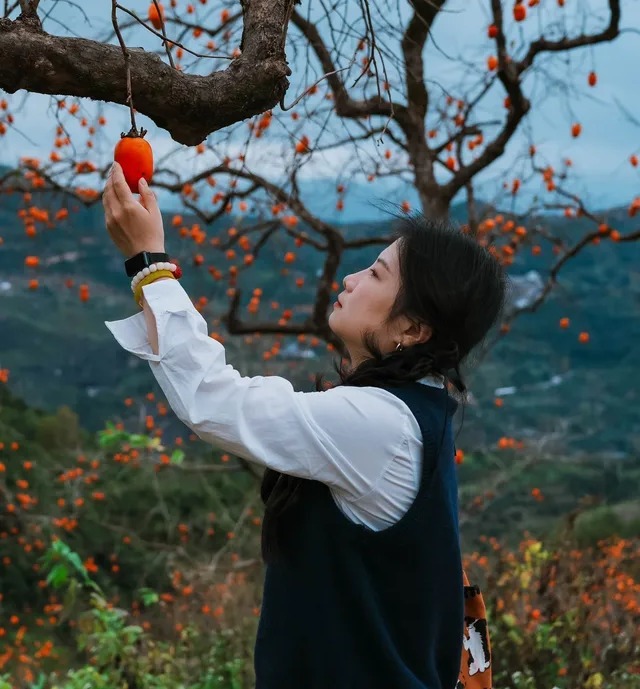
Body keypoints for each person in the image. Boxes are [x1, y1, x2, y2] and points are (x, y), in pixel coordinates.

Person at [102, 160, 505, 689]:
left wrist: (148, 262)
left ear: (412, 327)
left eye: (377, 274)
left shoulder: (381, 426)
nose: (352, 279)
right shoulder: (414, 413)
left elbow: (214, 400)